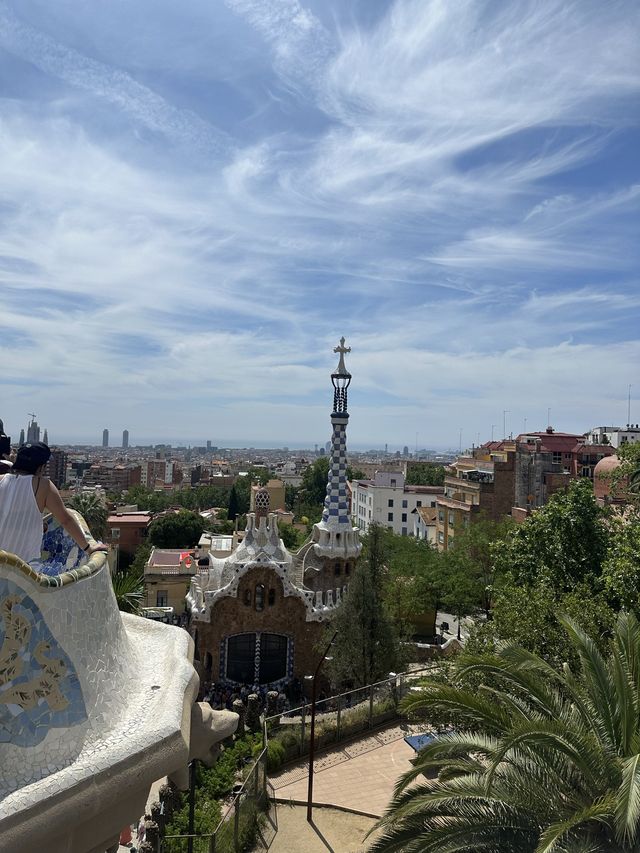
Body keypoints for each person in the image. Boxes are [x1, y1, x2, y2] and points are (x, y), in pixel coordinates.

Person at [0, 442, 107, 565]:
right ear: (41, 466)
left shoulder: (1, 479)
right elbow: (65, 519)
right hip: (25, 569)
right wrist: (89, 548)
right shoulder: (43, 486)